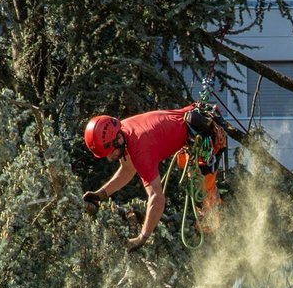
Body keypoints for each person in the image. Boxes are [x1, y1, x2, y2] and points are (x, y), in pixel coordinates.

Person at [82, 104, 226, 249]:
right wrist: (99, 195)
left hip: (205, 136)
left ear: (118, 139)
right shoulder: (123, 130)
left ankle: (218, 239)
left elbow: (157, 198)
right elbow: (127, 170)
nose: (109, 158)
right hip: (193, 126)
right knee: (191, 175)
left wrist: (142, 238)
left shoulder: (140, 149)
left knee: (203, 196)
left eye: (110, 153)